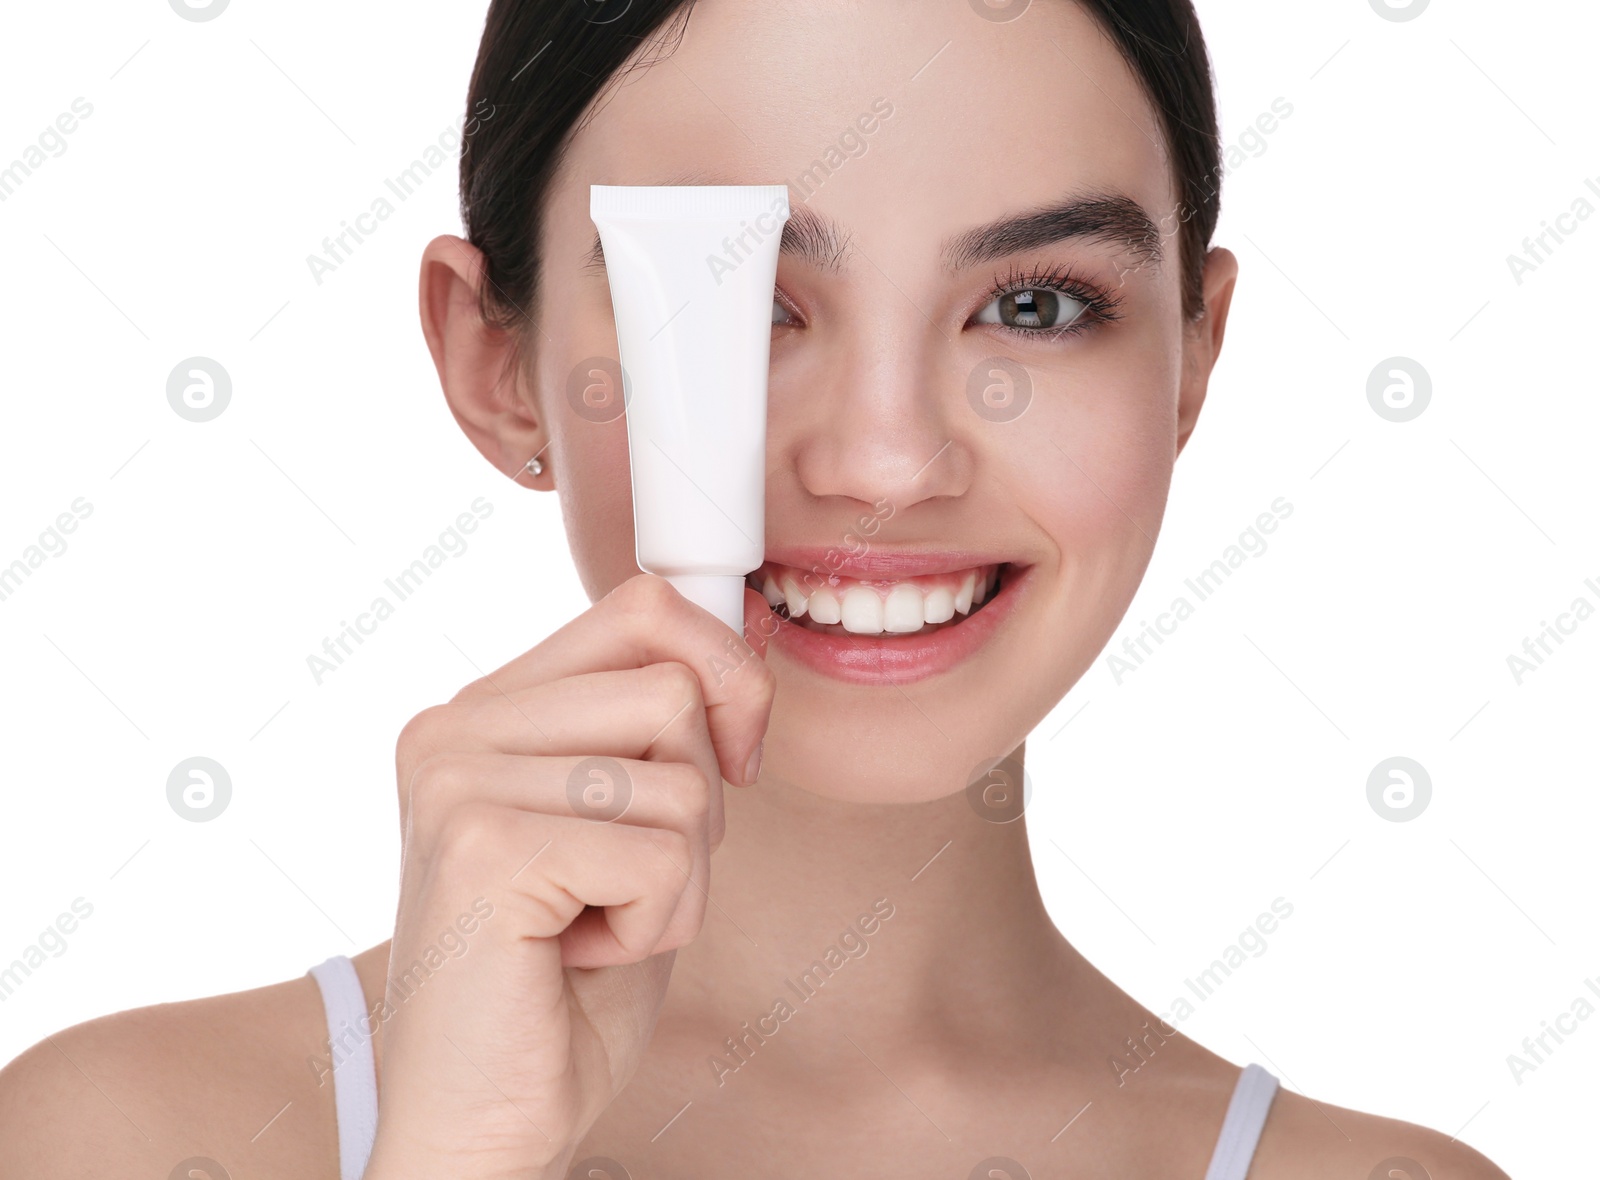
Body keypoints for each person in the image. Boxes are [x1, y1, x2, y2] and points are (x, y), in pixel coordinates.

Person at [0, 1, 1512, 1177]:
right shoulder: (114, 1137)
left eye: (1036, 306)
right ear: (493, 360)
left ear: (1195, 355)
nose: (886, 460)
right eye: (755, 302)